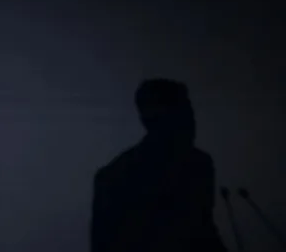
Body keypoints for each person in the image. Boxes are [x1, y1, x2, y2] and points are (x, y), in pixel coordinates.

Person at [90, 78, 228, 252]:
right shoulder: (114, 178)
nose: (193, 122)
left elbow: (204, 232)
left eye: (190, 114)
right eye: (184, 114)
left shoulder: (199, 165)